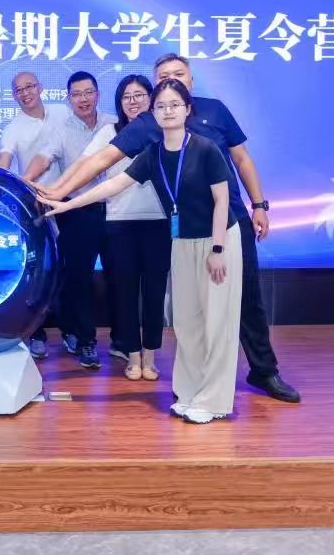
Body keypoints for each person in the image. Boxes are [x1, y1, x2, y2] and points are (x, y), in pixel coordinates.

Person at [36, 54, 300, 404]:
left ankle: (263, 370)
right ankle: (193, 382)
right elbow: (101, 163)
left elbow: (242, 159)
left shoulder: (214, 113)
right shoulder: (149, 124)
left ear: (190, 83)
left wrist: (259, 204)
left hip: (230, 223)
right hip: (185, 233)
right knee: (190, 314)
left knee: (246, 300)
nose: (170, 89)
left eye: (178, 75)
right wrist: (59, 194)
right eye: (162, 77)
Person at [42, 79, 241, 424]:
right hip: (181, 242)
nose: (167, 111)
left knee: (216, 323)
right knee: (187, 323)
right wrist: (66, 203)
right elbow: (112, 184)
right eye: (161, 106)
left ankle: (213, 401)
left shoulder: (206, 148)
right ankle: (189, 393)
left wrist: (218, 248)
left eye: (174, 105)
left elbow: (222, 200)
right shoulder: (153, 154)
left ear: (187, 109)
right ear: (153, 112)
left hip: (217, 240)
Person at [24, 71, 115, 368]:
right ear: (69, 99)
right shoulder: (61, 130)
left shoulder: (114, 124)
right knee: (79, 279)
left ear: (98, 94)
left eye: (88, 92)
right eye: (76, 94)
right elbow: (44, 157)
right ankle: (85, 341)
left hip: (117, 210)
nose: (83, 99)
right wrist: (26, 180)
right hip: (78, 212)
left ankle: (123, 341)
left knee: (119, 277)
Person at [82, 74, 169, 381]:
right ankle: (132, 355)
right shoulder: (110, 132)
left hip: (159, 222)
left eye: (139, 95)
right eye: (126, 97)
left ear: (151, 98)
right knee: (125, 293)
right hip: (119, 223)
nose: (133, 102)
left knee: (155, 293)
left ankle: (150, 356)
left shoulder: (164, 129)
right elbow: (87, 163)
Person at [0, 71, 70, 353]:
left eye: (30, 87)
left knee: (71, 268)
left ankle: (71, 330)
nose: (25, 93)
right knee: (38, 271)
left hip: (69, 199)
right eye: (19, 90)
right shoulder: (13, 128)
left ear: (41, 87)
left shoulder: (63, 112)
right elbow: (4, 160)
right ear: (14, 96)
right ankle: (36, 333)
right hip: (34, 204)